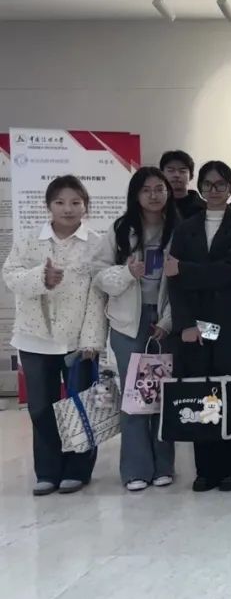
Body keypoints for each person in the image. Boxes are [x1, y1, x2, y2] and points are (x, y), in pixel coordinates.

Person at [3, 176, 109, 496]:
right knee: (41, 408)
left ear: (85, 206)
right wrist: (42, 278)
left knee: (81, 405)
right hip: (35, 338)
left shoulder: (96, 243)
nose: (68, 209)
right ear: (48, 205)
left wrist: (92, 340)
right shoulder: (30, 240)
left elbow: (98, 295)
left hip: (78, 341)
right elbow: (11, 277)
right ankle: (48, 471)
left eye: (76, 202)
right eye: (60, 202)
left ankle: (78, 469)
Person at [166, 161, 231, 492]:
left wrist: (186, 270)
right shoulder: (185, 228)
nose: (213, 190)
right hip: (198, 326)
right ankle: (207, 468)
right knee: (202, 393)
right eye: (207, 184)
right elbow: (173, 282)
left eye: (220, 184)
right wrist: (185, 324)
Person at [95, 168, 177, 491]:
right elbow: (99, 275)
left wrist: (168, 321)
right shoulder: (120, 229)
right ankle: (136, 469)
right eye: (146, 190)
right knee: (134, 396)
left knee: (162, 394)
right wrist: (128, 273)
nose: (154, 195)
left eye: (160, 189)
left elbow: (184, 285)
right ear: (136, 195)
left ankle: (164, 465)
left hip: (164, 320)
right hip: (128, 323)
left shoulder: (179, 228)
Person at [160, 150, 205, 220]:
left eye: (182, 171)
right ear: (161, 174)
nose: (176, 175)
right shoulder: (155, 206)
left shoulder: (204, 208)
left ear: (191, 176)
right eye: (171, 170)